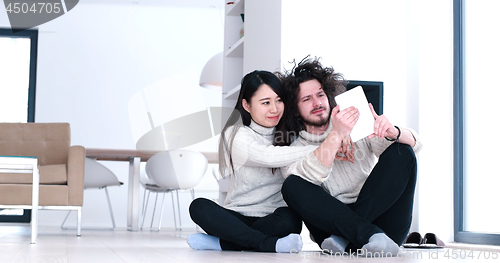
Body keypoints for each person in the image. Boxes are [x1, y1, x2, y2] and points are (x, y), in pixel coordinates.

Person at [278, 57, 423, 257]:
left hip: (376, 231)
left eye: (320, 94)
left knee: (402, 151)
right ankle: (362, 233)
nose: (317, 102)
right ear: (295, 111)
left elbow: (416, 146)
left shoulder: (356, 123)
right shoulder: (293, 149)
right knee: (292, 185)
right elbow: (308, 181)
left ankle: (357, 235)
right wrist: (335, 136)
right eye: (306, 99)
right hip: (332, 229)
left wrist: (394, 132)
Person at [188, 70, 320, 253]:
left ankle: (224, 243)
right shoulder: (235, 134)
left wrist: (338, 138)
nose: (274, 109)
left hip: (274, 217)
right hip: (236, 216)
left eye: (279, 100)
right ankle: (269, 244)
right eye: (266, 102)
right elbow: (267, 156)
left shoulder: (291, 135)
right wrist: (323, 149)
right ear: (247, 105)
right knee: (199, 206)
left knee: (291, 219)